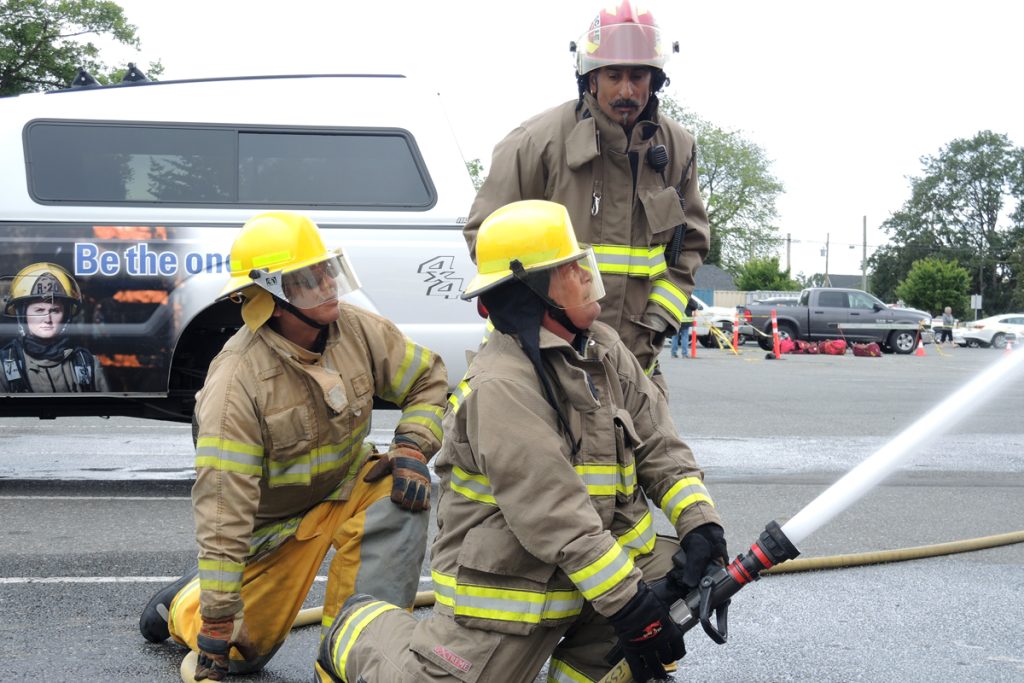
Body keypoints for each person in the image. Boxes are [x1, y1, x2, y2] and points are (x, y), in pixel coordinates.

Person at [315, 200, 727, 683]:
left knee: (681, 578)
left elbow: (661, 446)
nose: (587, 275)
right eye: (570, 268)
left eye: (582, 262)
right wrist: (632, 605)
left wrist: (701, 526)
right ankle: (362, 631)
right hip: (517, 585)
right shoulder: (501, 387)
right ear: (532, 292)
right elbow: (558, 517)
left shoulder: (605, 348)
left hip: (596, 567)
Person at [138, 211, 448, 680]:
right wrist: (219, 620)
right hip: (275, 530)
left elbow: (427, 379)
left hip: (348, 486)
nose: (327, 285)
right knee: (245, 653)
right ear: (271, 300)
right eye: (307, 279)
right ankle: (188, 603)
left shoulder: (359, 330)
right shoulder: (236, 384)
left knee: (402, 497)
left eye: (328, 270)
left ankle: (355, 659)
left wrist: (411, 447)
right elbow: (224, 511)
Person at [463, 1, 710, 393]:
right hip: (541, 361)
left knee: (652, 455)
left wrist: (656, 323)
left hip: (635, 364)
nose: (627, 90)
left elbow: (690, 248)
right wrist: (548, 321)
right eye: (613, 75)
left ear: (656, 80)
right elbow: (485, 237)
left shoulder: (677, 149)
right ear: (590, 79)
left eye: (638, 75)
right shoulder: (536, 143)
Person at [1, 262, 109, 393]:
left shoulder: (87, 364)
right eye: (39, 310)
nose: (48, 319)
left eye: (55, 311)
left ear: (66, 316)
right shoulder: (3, 366)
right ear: (22, 315)